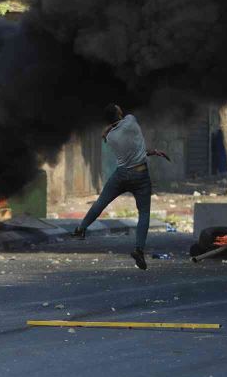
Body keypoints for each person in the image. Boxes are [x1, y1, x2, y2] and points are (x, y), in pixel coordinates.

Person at [71, 104, 169, 270]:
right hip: (141, 175)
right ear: (119, 113)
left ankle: (81, 229)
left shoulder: (110, 137)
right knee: (144, 213)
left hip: (122, 175)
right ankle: (139, 250)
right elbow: (135, 148)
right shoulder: (130, 121)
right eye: (118, 108)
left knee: (101, 202)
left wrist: (152, 151)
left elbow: (133, 148)